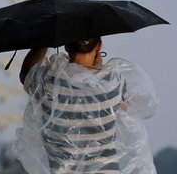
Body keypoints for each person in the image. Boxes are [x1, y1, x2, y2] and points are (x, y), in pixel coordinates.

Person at [12, 37, 158, 174]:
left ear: (66, 45)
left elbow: (26, 74)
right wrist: (100, 68)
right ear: (99, 46)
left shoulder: (48, 84)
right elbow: (121, 106)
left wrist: (44, 41)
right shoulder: (114, 83)